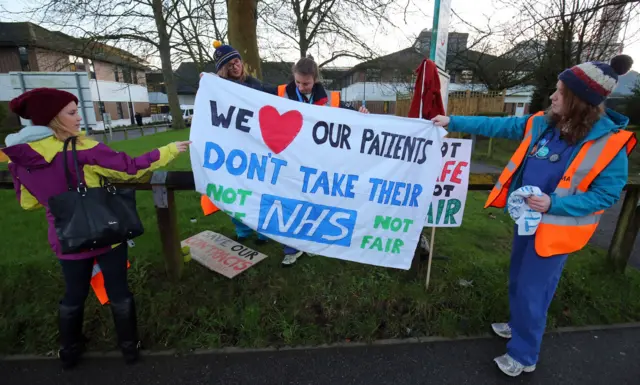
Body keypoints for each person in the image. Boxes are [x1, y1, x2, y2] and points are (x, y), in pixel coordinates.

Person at [431, 55, 636, 377]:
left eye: (560, 92)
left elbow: (607, 195)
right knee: (518, 277)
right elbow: (500, 125)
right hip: (527, 220)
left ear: (580, 101)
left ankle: (524, 355)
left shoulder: (610, 142)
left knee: (533, 290)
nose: (552, 96)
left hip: (556, 229)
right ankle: (517, 325)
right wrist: (452, 122)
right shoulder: (544, 123)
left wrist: (553, 204)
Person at [3, 88, 190, 369]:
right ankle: (129, 349)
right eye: (72, 112)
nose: (80, 117)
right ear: (52, 118)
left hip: (66, 238)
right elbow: (131, 169)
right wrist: (168, 150)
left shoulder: (19, 159)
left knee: (73, 295)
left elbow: (28, 203)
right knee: (118, 291)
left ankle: (69, 352)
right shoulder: (81, 149)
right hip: (106, 232)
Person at [274, 55, 370, 266]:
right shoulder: (281, 93)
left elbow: (351, 114)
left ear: (315, 79)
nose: (301, 87)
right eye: (298, 82)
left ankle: (309, 244)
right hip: (290, 160)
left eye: (306, 83)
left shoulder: (331, 99)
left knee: (315, 203)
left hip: (318, 163)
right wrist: (214, 83)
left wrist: (361, 112)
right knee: (290, 203)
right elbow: (247, 91)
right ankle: (291, 247)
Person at [199, 40, 271, 245]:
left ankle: (262, 232)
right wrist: (207, 82)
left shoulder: (255, 84)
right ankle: (242, 230)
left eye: (237, 61)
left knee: (258, 191)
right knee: (236, 192)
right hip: (231, 149)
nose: (236, 66)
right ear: (223, 69)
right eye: (230, 64)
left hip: (255, 147)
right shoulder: (219, 88)